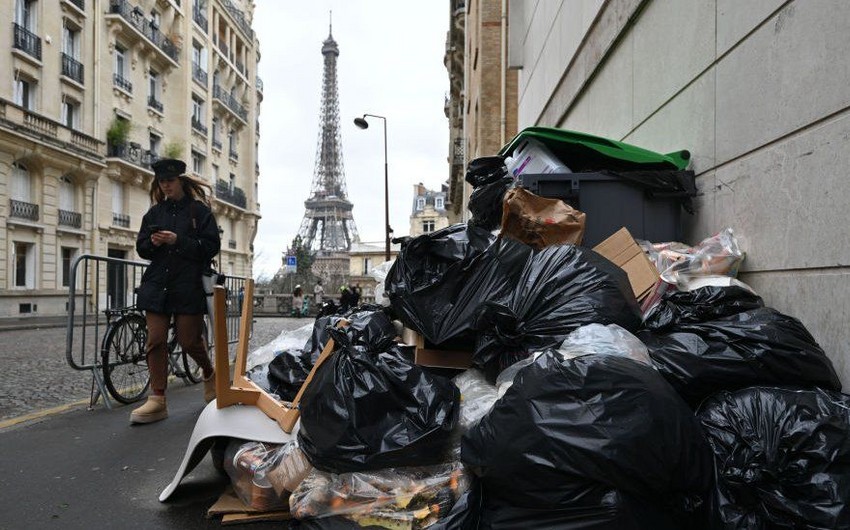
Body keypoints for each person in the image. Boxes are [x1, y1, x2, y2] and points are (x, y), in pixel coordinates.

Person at [131, 158, 221, 424]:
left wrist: (178, 240)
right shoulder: (154, 214)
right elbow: (141, 247)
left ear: (180, 180)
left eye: (170, 181)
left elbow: (210, 246)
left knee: (189, 340)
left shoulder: (199, 212)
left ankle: (209, 372)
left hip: (188, 284)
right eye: (162, 182)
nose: (166, 186)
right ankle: (157, 399)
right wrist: (154, 242)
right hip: (158, 284)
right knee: (155, 340)